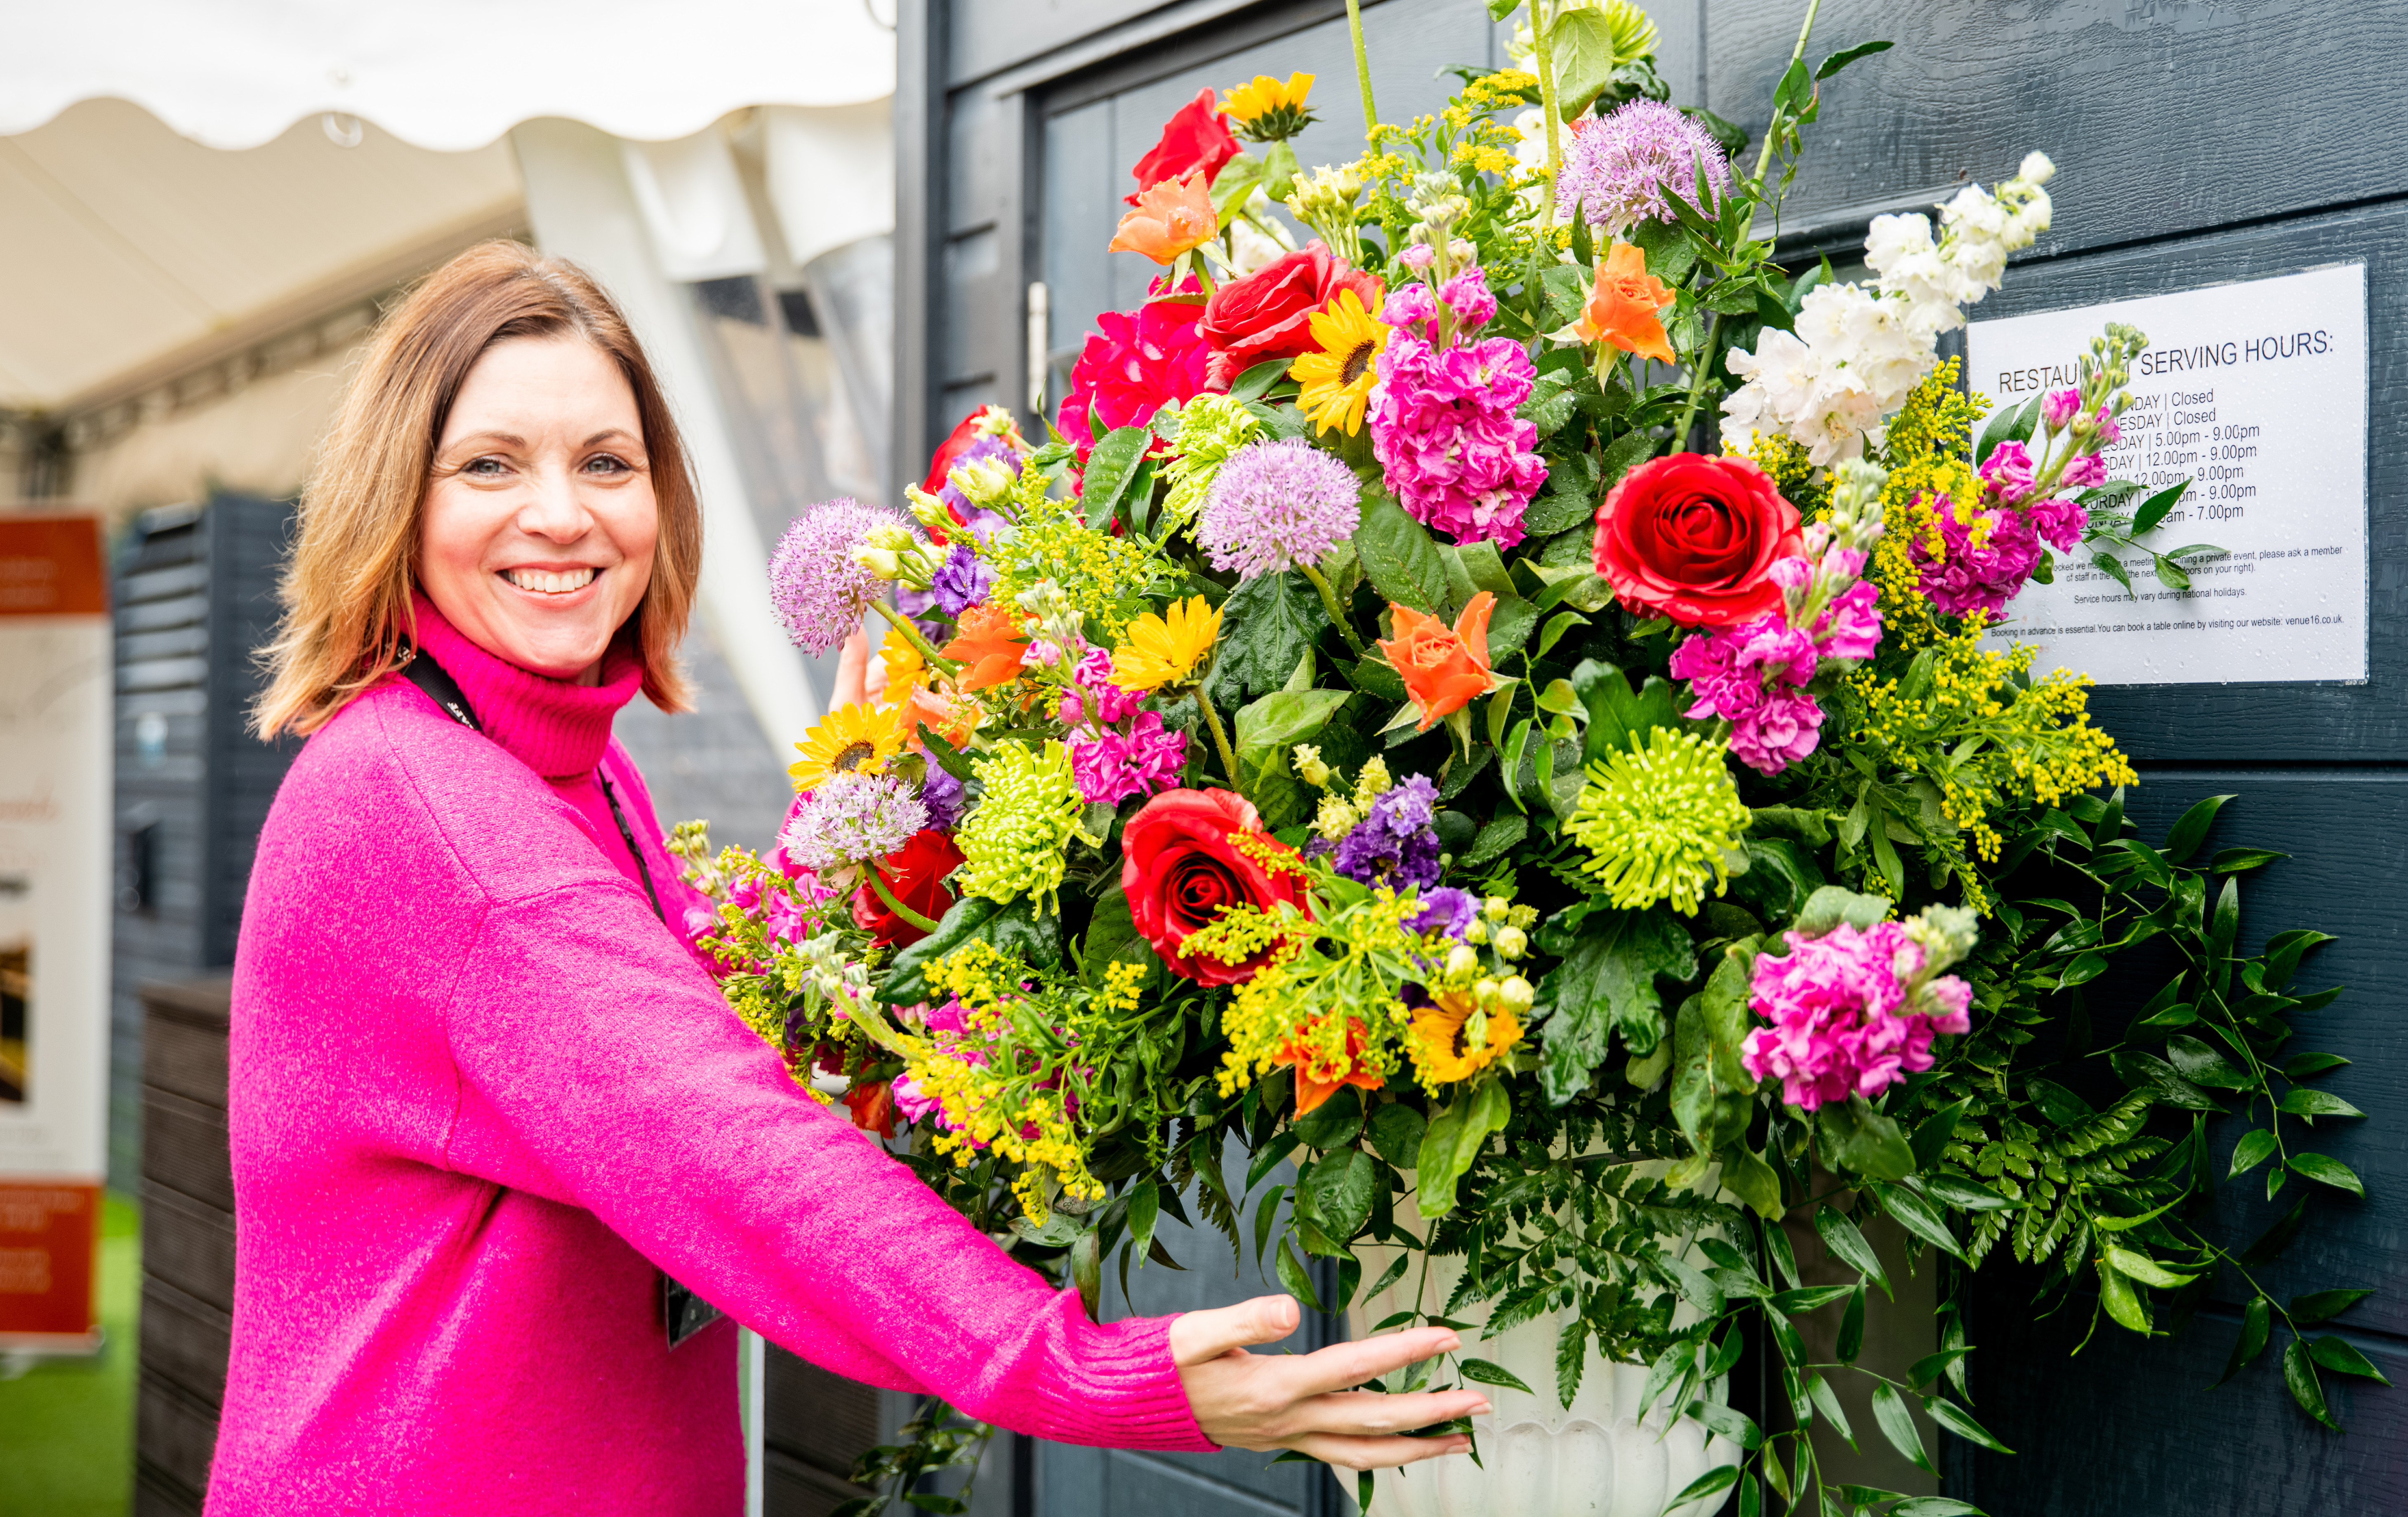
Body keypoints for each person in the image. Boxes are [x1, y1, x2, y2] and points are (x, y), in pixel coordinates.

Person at [211, 242, 1484, 1513]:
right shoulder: (425, 811)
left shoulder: (563, 772)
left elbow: (630, 1033)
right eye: (490, 465)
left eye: (608, 461)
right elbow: (706, 1130)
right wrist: (1084, 1370)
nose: (562, 513)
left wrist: (843, 827)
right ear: (397, 499)